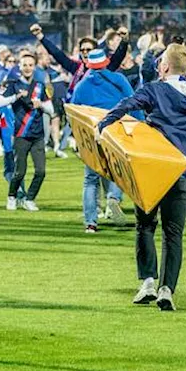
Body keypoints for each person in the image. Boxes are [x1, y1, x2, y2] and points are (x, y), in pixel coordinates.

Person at [99, 44, 186, 312]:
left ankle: (148, 282)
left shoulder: (154, 89)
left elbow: (127, 105)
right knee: (174, 234)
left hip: (153, 169)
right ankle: (167, 289)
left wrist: (104, 123)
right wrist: (183, 58)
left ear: (162, 67)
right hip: (183, 171)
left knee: (146, 226)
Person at [69, 47, 134, 233]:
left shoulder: (82, 85)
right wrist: (139, 124)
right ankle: (114, 197)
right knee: (118, 170)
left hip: (92, 134)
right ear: (106, 62)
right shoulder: (119, 80)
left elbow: (74, 112)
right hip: (116, 130)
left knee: (90, 179)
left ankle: (91, 222)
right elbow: (133, 102)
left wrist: (76, 137)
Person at [0, 50, 53, 211]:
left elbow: (52, 110)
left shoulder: (40, 86)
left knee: (41, 171)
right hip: (21, 135)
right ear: (20, 67)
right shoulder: (13, 85)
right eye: (24, 65)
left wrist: (41, 105)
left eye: (30, 65)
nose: (27, 68)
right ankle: (12, 196)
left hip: (38, 135)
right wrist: (15, 97)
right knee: (19, 172)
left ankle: (30, 199)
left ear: (35, 67)